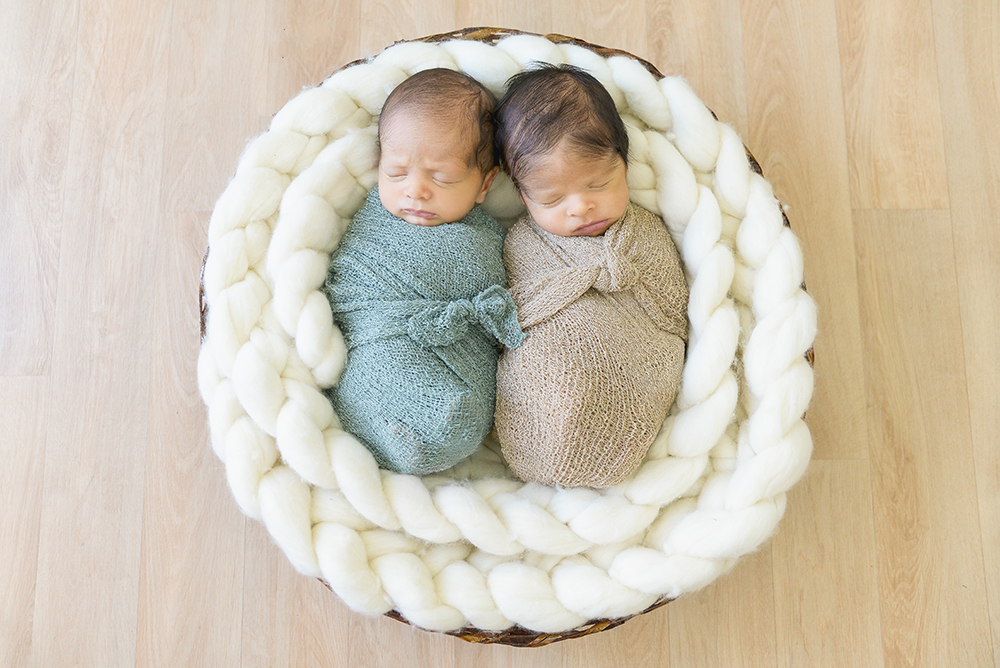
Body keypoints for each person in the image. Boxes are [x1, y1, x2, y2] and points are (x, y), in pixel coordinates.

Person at [494, 64, 689, 488]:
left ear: (625, 162)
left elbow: (674, 314)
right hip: (551, 363)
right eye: (551, 197)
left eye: (599, 183)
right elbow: (508, 316)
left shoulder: (645, 233)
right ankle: (545, 445)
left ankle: (611, 439)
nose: (579, 207)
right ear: (520, 193)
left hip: (634, 359)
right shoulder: (521, 243)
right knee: (558, 377)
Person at [323, 68, 525, 475]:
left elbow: (489, 290)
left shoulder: (486, 238)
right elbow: (348, 282)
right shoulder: (371, 220)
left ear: (485, 186)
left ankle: (420, 425)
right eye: (396, 172)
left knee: (463, 410)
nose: (415, 190)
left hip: (451, 354)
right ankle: (385, 417)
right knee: (382, 368)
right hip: (378, 337)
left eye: (442, 177)